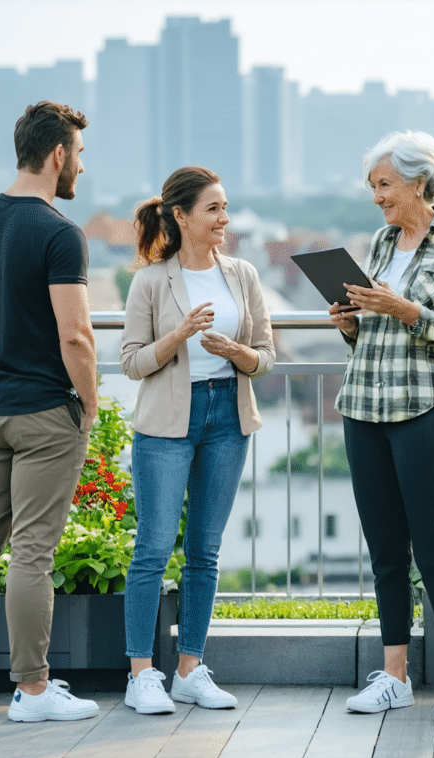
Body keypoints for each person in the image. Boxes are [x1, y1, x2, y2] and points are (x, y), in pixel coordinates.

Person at [0, 101, 101, 723]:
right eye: (79, 155)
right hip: (42, 415)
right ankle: (32, 692)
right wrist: (87, 399)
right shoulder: (61, 234)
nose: (81, 166)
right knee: (32, 552)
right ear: (58, 155)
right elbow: (76, 336)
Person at [332, 131, 434, 724]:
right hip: (365, 405)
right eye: (372, 187)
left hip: (428, 408)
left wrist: (407, 310)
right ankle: (393, 675)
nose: (377, 197)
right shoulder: (380, 240)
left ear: (419, 181)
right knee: (386, 549)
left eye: (385, 185)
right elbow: (369, 333)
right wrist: (349, 321)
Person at [119, 166, 274, 715]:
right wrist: (178, 336)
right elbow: (132, 363)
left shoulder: (243, 274)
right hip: (166, 424)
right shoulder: (150, 281)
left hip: (227, 417)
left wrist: (236, 352)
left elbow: (265, 357)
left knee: (204, 551)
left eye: (226, 208)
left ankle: (189, 668)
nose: (224, 220)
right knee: (153, 549)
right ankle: (142, 673)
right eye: (213, 210)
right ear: (181, 216)